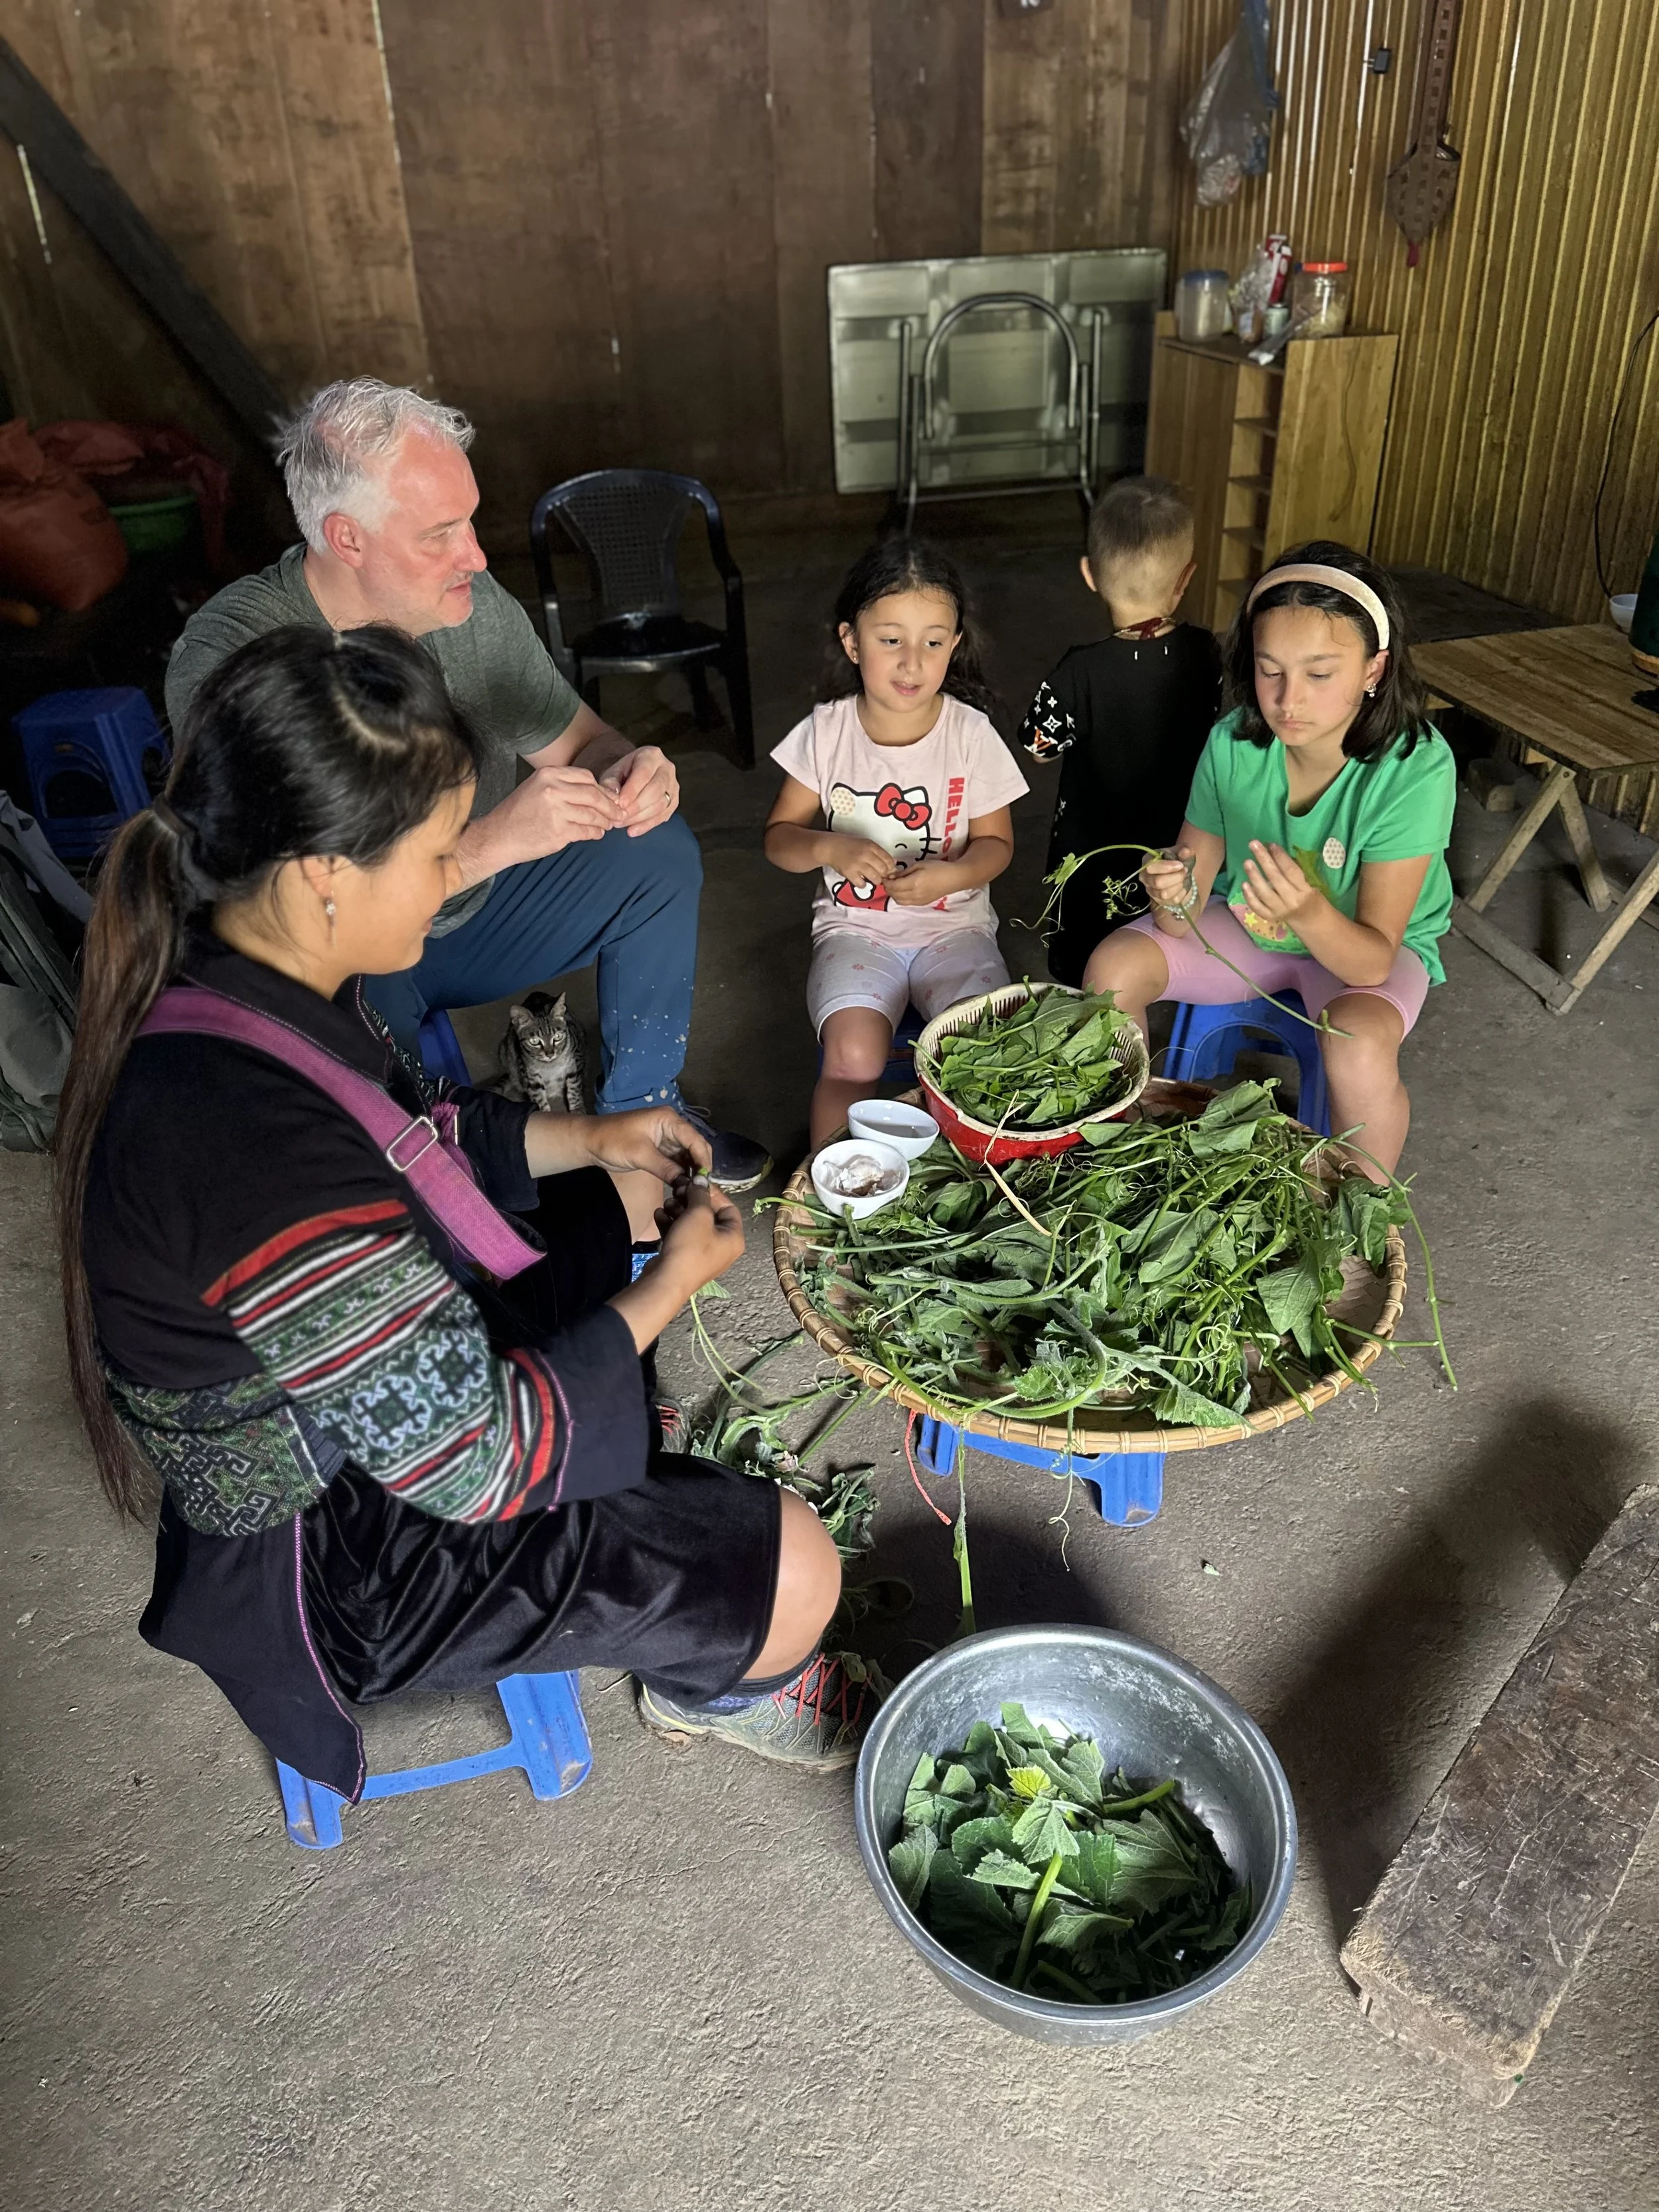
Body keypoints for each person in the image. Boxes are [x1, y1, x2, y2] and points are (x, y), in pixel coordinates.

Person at [56, 626, 867, 1797]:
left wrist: (590, 1135)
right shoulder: (247, 1154)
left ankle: (633, 1442)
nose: (459, 876)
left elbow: (412, 1127)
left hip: (361, 1391)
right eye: (441, 854)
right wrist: (669, 1285)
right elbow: (479, 1457)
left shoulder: (248, 962)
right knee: (798, 1566)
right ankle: (720, 1683)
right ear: (326, 869)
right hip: (342, 1553)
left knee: (607, 1192)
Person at [163, 377, 770, 1226]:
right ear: (347, 538)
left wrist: (630, 769)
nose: (477, 557)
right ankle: (441, 1162)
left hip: (477, 914)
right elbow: (291, 918)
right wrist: (489, 843)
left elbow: (581, 741)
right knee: (425, 1169)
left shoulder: (466, 604)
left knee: (657, 850)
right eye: (440, 534)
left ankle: (642, 1120)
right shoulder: (235, 659)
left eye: (470, 521)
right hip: (352, 957)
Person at [1082, 543, 1456, 1177]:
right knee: (1112, 969)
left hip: (1363, 954)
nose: (1288, 699)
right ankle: (1122, 1157)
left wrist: (1307, 909)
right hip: (1251, 928)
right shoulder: (1234, 744)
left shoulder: (1415, 767)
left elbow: (1372, 959)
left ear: (1375, 668)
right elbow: (1182, 919)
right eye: (1269, 669)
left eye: (1320, 673)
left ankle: (1363, 1213)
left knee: (1357, 1044)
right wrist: (1172, 892)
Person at [763, 539, 1029, 1150]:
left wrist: (951, 877)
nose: (913, 662)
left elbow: (996, 845)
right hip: (857, 931)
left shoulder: (970, 733)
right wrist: (832, 848)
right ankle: (836, 1190)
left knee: (986, 1046)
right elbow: (779, 839)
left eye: (934, 642)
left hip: (955, 931)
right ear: (852, 641)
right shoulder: (826, 734)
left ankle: (982, 1180)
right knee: (853, 1055)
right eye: (890, 641)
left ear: (955, 646)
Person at [1017, 477, 1222, 985]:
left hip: (1093, 849)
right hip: (1179, 838)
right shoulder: (1206, 652)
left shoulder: (1078, 670)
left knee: (1085, 955)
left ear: (1090, 575)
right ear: (1185, 577)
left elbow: (1038, 746)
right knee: (1160, 932)